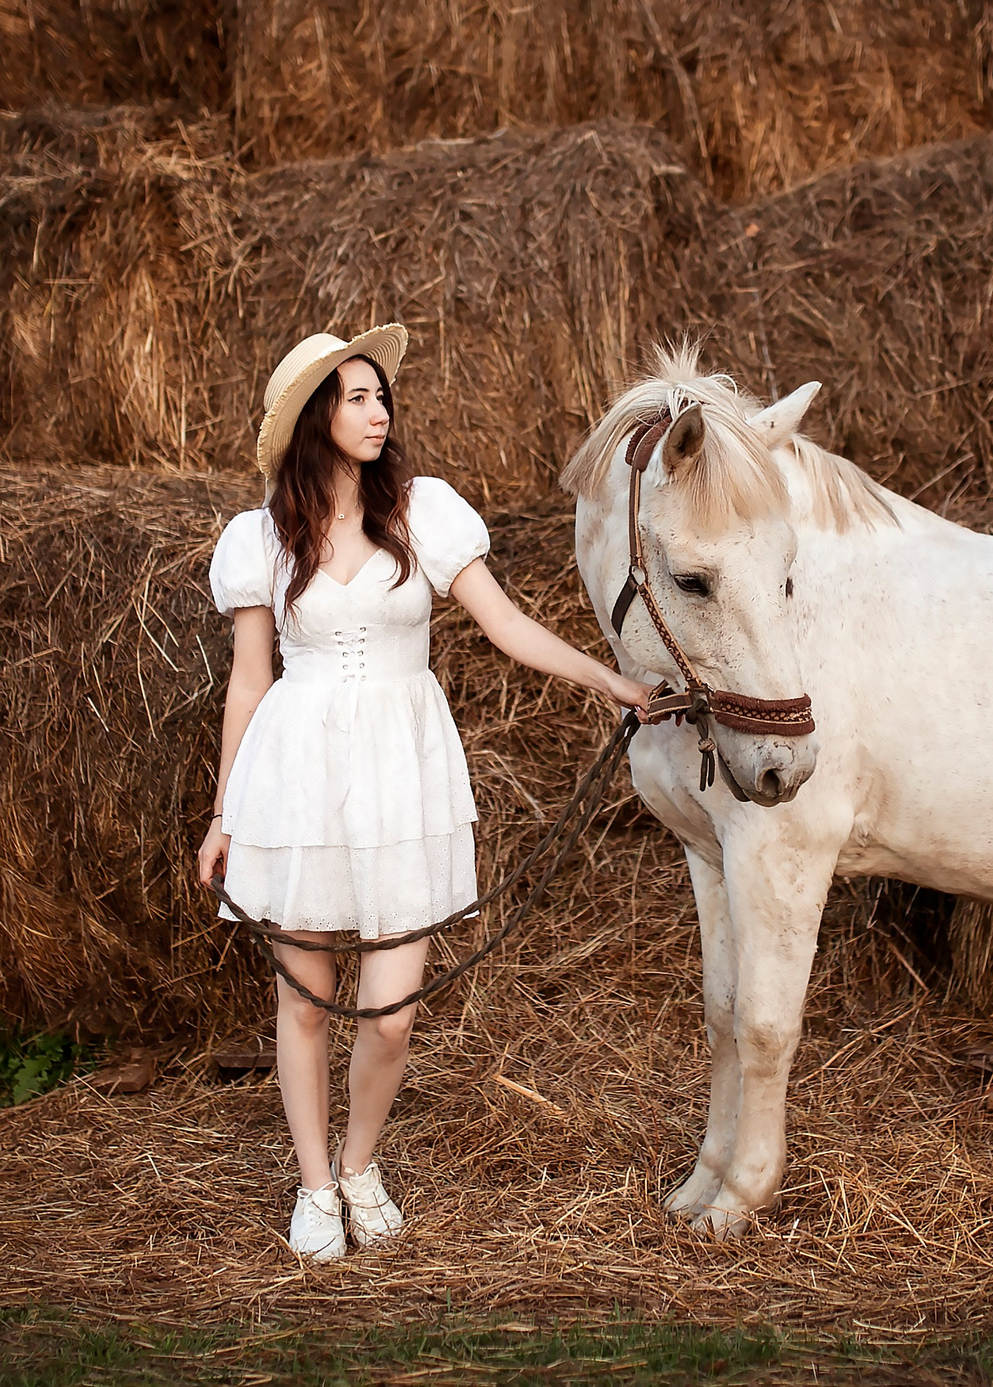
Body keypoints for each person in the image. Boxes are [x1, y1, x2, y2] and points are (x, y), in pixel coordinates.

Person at [197, 325, 652, 1261]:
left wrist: (610, 682)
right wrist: (224, 813)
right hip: (300, 775)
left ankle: (362, 1163)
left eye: (380, 396)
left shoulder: (424, 512)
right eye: (356, 396)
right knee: (309, 1004)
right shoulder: (261, 538)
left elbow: (507, 624)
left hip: (402, 774)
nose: (379, 411)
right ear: (315, 417)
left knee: (394, 1012)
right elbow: (249, 681)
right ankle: (316, 1184)